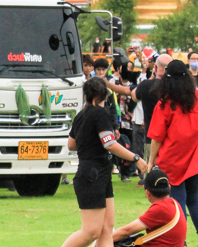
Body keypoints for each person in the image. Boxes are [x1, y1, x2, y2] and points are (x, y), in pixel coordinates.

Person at [61, 77, 147, 247]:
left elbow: (71, 144)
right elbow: (109, 144)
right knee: (91, 231)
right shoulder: (101, 114)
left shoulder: (81, 115)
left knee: (107, 228)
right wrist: (135, 158)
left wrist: (88, 140)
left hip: (97, 173)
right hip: (93, 174)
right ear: (105, 95)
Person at [147, 60, 198, 247]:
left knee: (177, 203)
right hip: (196, 157)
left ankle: (181, 242)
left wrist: (151, 162)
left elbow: (157, 137)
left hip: (173, 159)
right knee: (194, 200)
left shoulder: (164, 103)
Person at [111, 170, 187, 246]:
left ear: (147, 193)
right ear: (169, 187)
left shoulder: (160, 208)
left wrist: (101, 242)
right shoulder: (175, 204)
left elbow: (126, 231)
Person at [134, 54, 171, 163]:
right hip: (172, 139)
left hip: (151, 136)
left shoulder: (146, 85)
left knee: (151, 173)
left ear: (155, 68)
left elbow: (134, 97)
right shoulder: (179, 88)